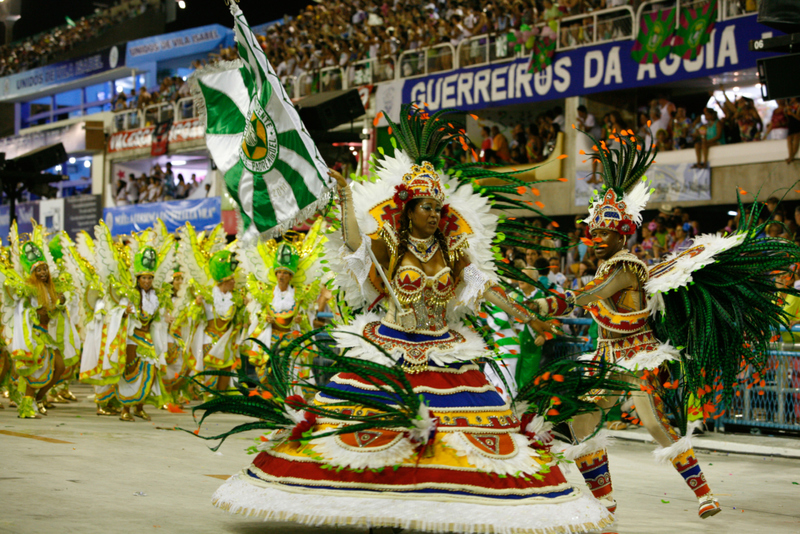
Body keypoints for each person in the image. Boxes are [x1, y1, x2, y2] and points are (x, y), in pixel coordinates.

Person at [205, 104, 616, 533]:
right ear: (409, 210)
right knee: (383, 431)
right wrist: (346, 199)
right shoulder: (390, 248)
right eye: (425, 207)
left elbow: (486, 289)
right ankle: (380, 499)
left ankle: (436, 500)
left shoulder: (455, 252)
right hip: (391, 343)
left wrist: (529, 315)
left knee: (458, 436)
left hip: (443, 350)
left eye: (438, 208)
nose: (434, 214)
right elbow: (353, 246)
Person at [239, 220, 325, 384]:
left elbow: (305, 317)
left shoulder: (299, 295)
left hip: (290, 338)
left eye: (285, 273)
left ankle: (288, 399)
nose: (281, 276)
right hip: (271, 337)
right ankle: (271, 398)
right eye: (279, 272)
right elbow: (261, 313)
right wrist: (266, 318)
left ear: (291, 276)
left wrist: (301, 319)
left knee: (290, 372)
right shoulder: (266, 292)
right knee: (269, 370)